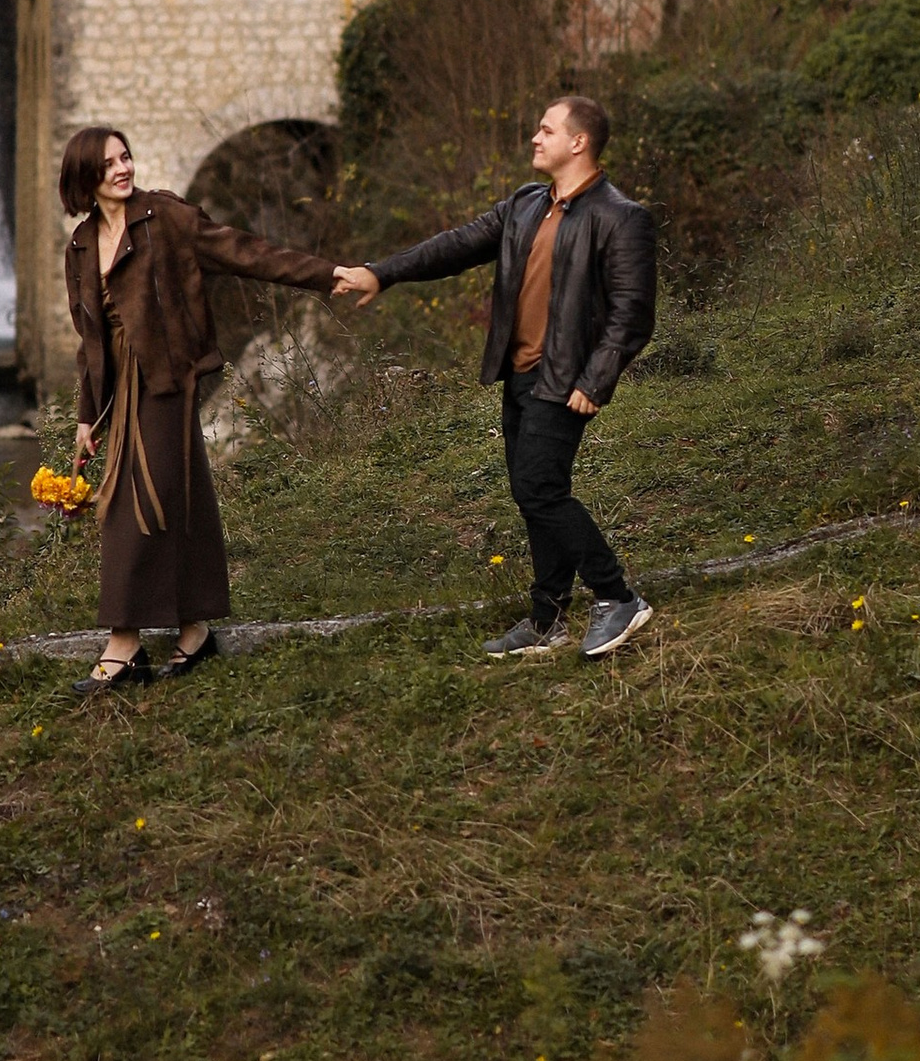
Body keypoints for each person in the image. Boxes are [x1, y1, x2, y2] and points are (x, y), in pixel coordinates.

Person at [332, 95, 657, 659]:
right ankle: (547, 618)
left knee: (540, 488)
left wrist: (594, 380)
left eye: (546, 129)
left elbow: (633, 314)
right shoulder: (525, 205)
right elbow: (454, 247)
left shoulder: (620, 216)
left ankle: (617, 596)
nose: (535, 138)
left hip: (566, 380)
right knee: (533, 495)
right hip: (521, 375)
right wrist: (382, 274)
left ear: (578, 142)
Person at [60, 125, 344, 694]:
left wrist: (327, 275)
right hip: (121, 389)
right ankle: (194, 629)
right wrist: (87, 415)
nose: (124, 168)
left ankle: (124, 644)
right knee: (176, 496)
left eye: (127, 156)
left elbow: (246, 252)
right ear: (85, 178)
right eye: (110, 163)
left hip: (167, 379)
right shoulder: (81, 245)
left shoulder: (164, 218)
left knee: (129, 505)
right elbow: (89, 339)